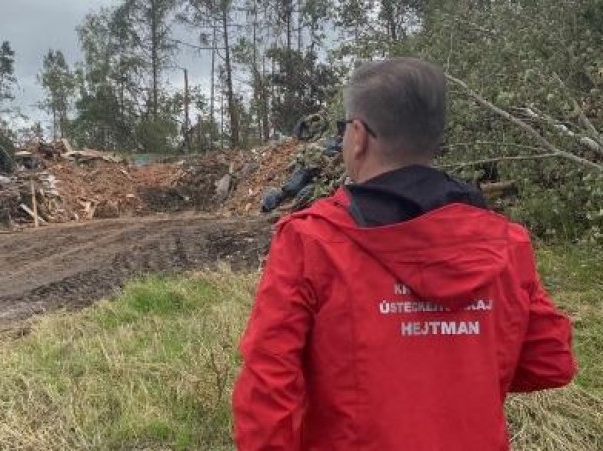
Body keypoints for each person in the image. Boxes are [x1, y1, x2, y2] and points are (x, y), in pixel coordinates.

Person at [232, 58, 576, 451]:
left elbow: (266, 394)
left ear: (358, 136)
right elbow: (551, 361)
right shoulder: (505, 243)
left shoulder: (312, 242)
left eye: (343, 129)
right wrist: (461, 364)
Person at [261, 114, 344, 213]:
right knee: (294, 185)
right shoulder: (330, 140)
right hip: (313, 167)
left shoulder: (343, 144)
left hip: (322, 173)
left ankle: (286, 202)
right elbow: (318, 149)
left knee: (305, 187)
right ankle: (274, 201)